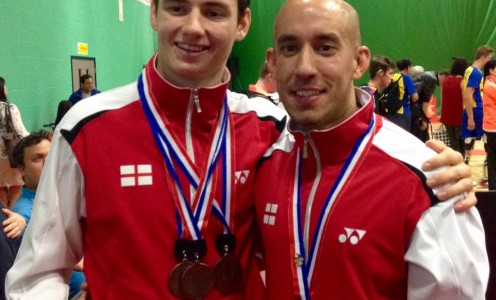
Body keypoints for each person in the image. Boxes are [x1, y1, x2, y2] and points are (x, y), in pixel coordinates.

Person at [5, 0, 477, 299]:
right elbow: (37, 274)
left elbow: (344, 142)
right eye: (176, 8)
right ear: (152, 12)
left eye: (213, 11)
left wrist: (431, 168)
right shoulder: (86, 129)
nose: (193, 27)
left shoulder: (272, 127)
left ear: (242, 23)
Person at [257, 0, 488, 299]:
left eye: (325, 48)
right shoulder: (262, 160)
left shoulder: (431, 180)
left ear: (359, 61)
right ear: (273, 63)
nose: (304, 68)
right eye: (290, 48)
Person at [10, 131, 86, 299]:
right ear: (22, 169)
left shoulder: (65, 196)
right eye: (37, 158)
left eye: (51, 156)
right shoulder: (24, 214)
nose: (48, 163)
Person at [0, 77, 29, 210]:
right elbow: (20, 131)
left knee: (1, 190)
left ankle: (3, 221)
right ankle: (13, 220)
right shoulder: (10, 108)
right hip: (9, 155)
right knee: (16, 188)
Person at [462, 45, 494, 160]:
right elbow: (468, 95)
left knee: (469, 138)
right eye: (489, 58)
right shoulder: (477, 73)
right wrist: (470, 117)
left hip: (471, 109)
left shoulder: (468, 69)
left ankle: (467, 164)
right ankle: (488, 165)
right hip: (476, 110)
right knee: (487, 137)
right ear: (483, 57)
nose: (490, 61)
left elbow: (464, 92)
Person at [441, 57, 470, 157]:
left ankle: (453, 162)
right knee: (461, 144)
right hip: (459, 117)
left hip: (447, 116)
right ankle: (460, 163)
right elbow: (466, 99)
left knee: (453, 143)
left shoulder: (447, 80)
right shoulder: (463, 82)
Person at [412, 68, 449, 142]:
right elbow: (425, 100)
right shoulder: (432, 79)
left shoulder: (430, 74)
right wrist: (424, 119)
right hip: (414, 109)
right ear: (444, 76)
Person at [387, 58, 418, 132]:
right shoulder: (407, 78)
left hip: (391, 111)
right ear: (408, 67)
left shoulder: (393, 76)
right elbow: (415, 97)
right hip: (403, 112)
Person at [483, 59, 496, 190]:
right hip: (493, 126)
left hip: (490, 125)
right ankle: (493, 187)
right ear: (491, 70)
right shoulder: (490, 86)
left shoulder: (490, 83)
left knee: (492, 158)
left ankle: (493, 187)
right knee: (492, 159)